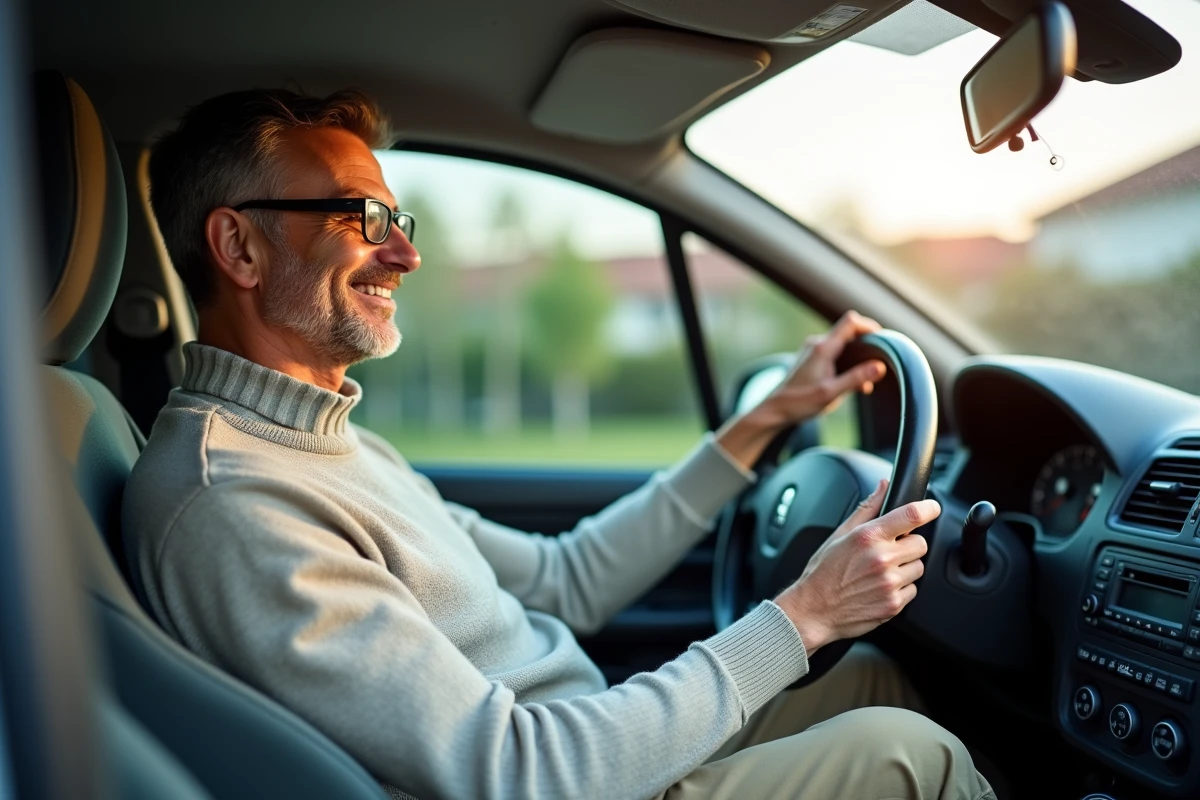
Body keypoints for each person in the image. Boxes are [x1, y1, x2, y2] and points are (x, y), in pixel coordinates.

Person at [123, 87, 995, 800]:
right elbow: (515, 774)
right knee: (912, 756)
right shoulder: (235, 503)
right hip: (564, 777)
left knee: (870, 677)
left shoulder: (337, 445)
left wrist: (763, 419)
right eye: (364, 218)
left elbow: (562, 581)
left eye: (399, 219)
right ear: (239, 247)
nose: (405, 256)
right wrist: (805, 614)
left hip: (589, 748)